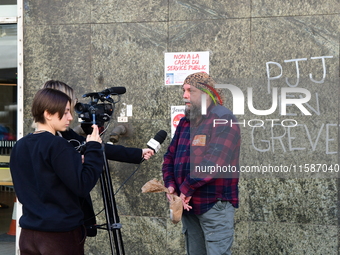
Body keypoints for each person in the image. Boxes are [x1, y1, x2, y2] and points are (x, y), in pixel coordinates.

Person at [41, 80, 154, 236]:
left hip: (70, 219)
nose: (71, 114)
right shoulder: (46, 142)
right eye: (67, 109)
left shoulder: (66, 134)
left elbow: (97, 147)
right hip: (56, 221)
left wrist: (137, 153)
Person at [10, 88, 103, 255]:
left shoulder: (20, 145)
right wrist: (94, 149)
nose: (70, 117)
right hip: (59, 235)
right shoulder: (57, 145)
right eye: (66, 111)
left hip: (28, 234)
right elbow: (83, 184)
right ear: (48, 114)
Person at [162, 72, 241, 255]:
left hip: (214, 204)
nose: (184, 95)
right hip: (188, 205)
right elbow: (169, 158)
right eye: (184, 90)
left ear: (206, 93)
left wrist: (186, 188)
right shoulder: (185, 122)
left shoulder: (223, 119)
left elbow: (213, 163)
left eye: (190, 90)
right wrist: (171, 186)